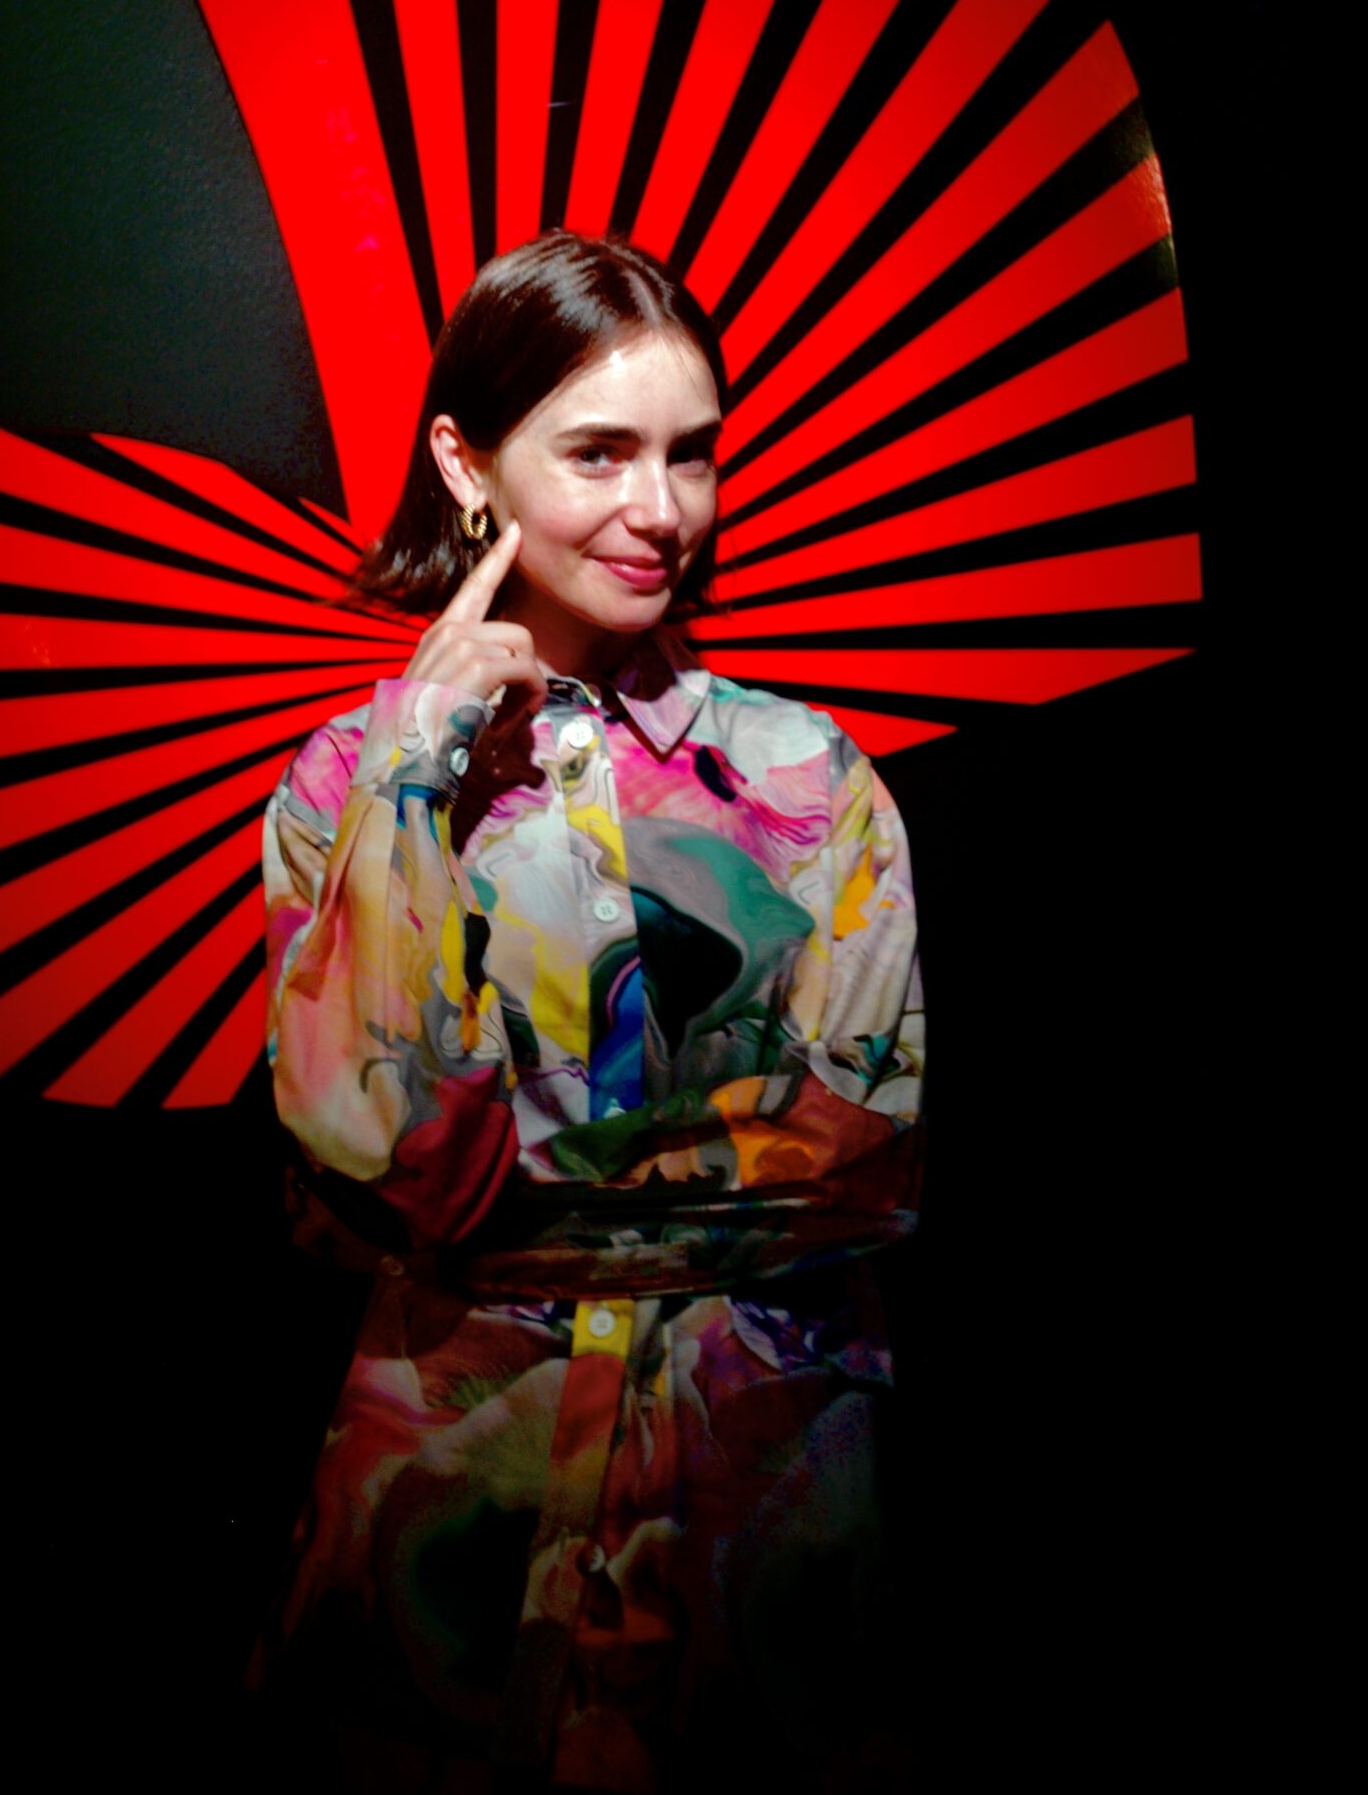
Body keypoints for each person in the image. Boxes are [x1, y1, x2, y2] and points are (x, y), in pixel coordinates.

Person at [252, 231, 925, 1789]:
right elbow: (371, 1157)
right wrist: (419, 770)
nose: (662, 509)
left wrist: (489, 1206)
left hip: (755, 1513)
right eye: (601, 452)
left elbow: (866, 1166)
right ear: (466, 464)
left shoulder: (810, 779)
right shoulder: (349, 787)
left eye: (692, 454)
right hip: (451, 1517)